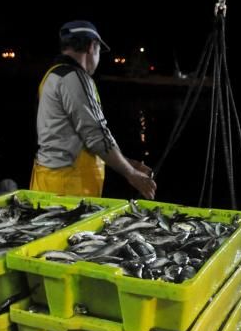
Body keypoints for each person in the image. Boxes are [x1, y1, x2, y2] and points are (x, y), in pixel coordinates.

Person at [29, 20, 156, 199]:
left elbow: (75, 139)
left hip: (49, 184)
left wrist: (129, 163)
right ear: (91, 46)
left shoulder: (53, 75)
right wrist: (131, 174)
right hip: (69, 191)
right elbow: (96, 134)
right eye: (99, 51)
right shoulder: (75, 77)